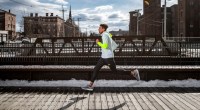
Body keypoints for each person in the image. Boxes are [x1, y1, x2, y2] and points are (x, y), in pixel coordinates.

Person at [82, 24, 140, 91]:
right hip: (103, 57)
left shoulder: (105, 35)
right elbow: (110, 38)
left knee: (115, 72)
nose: (98, 29)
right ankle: (90, 85)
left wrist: (98, 43)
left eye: (100, 28)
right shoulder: (106, 34)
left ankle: (133, 72)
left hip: (108, 58)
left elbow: (105, 46)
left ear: (103, 29)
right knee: (96, 69)